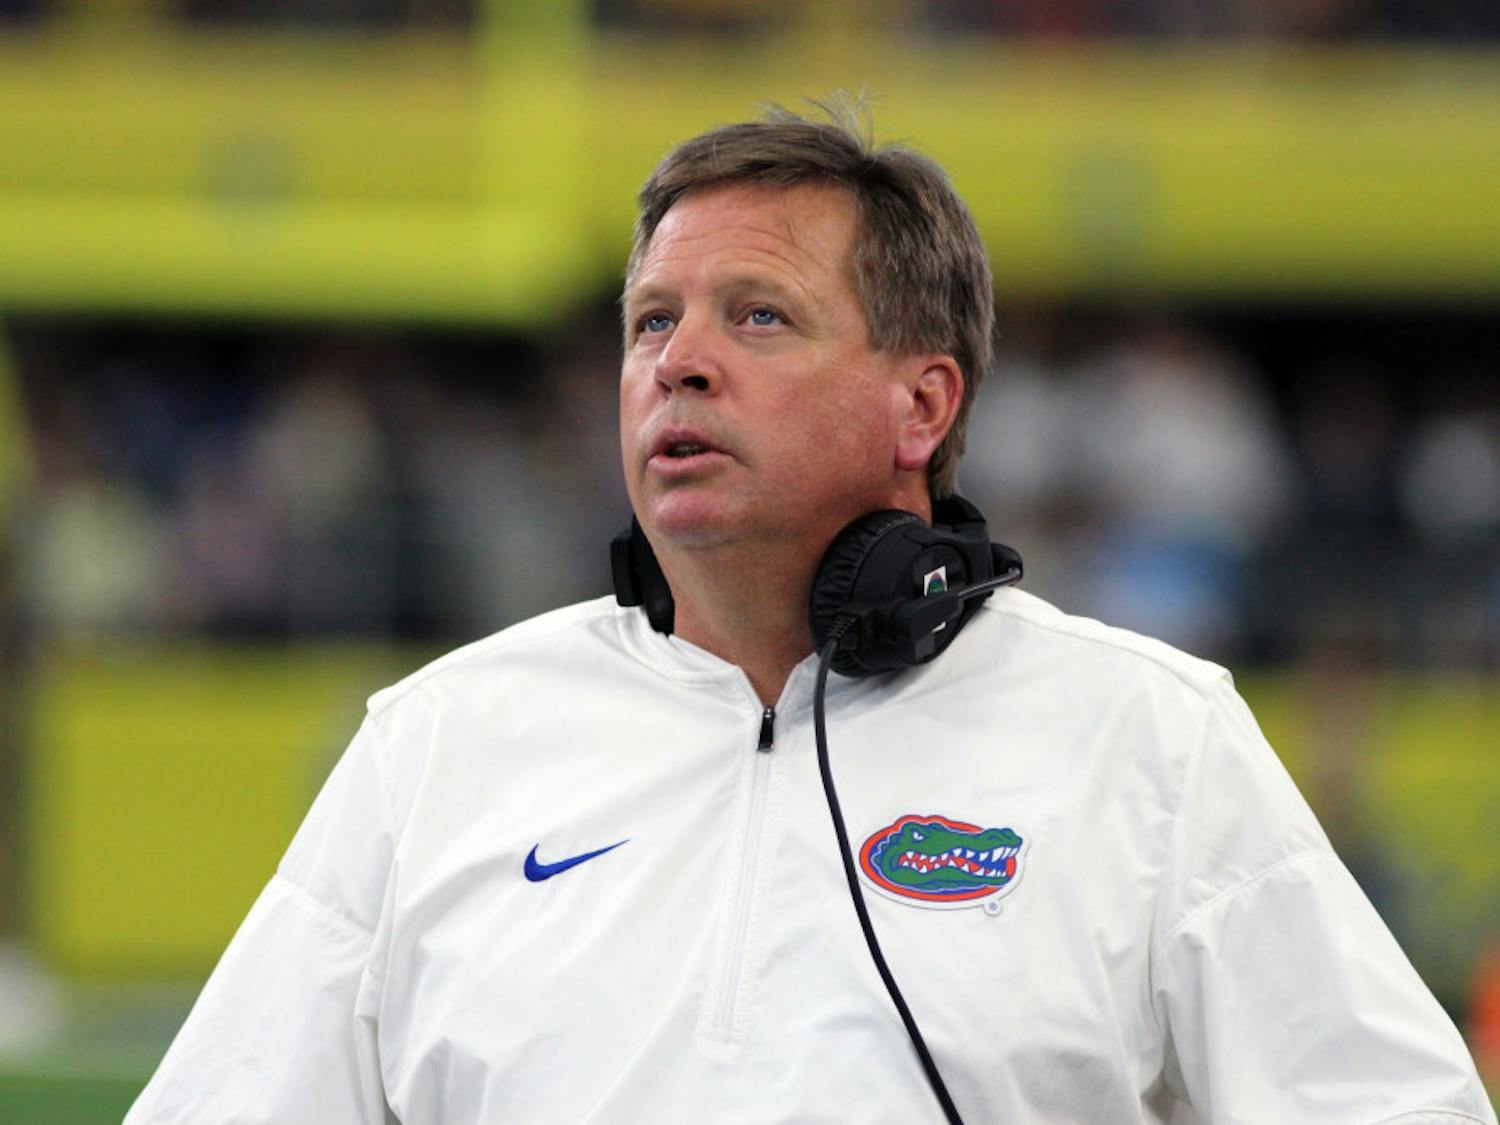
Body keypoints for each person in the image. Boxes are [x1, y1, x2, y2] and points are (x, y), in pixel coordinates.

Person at [127, 103, 1495, 1124]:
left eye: (759, 315)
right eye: (651, 320)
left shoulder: (1149, 736)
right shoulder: (436, 743)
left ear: (924, 403)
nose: (681, 363)